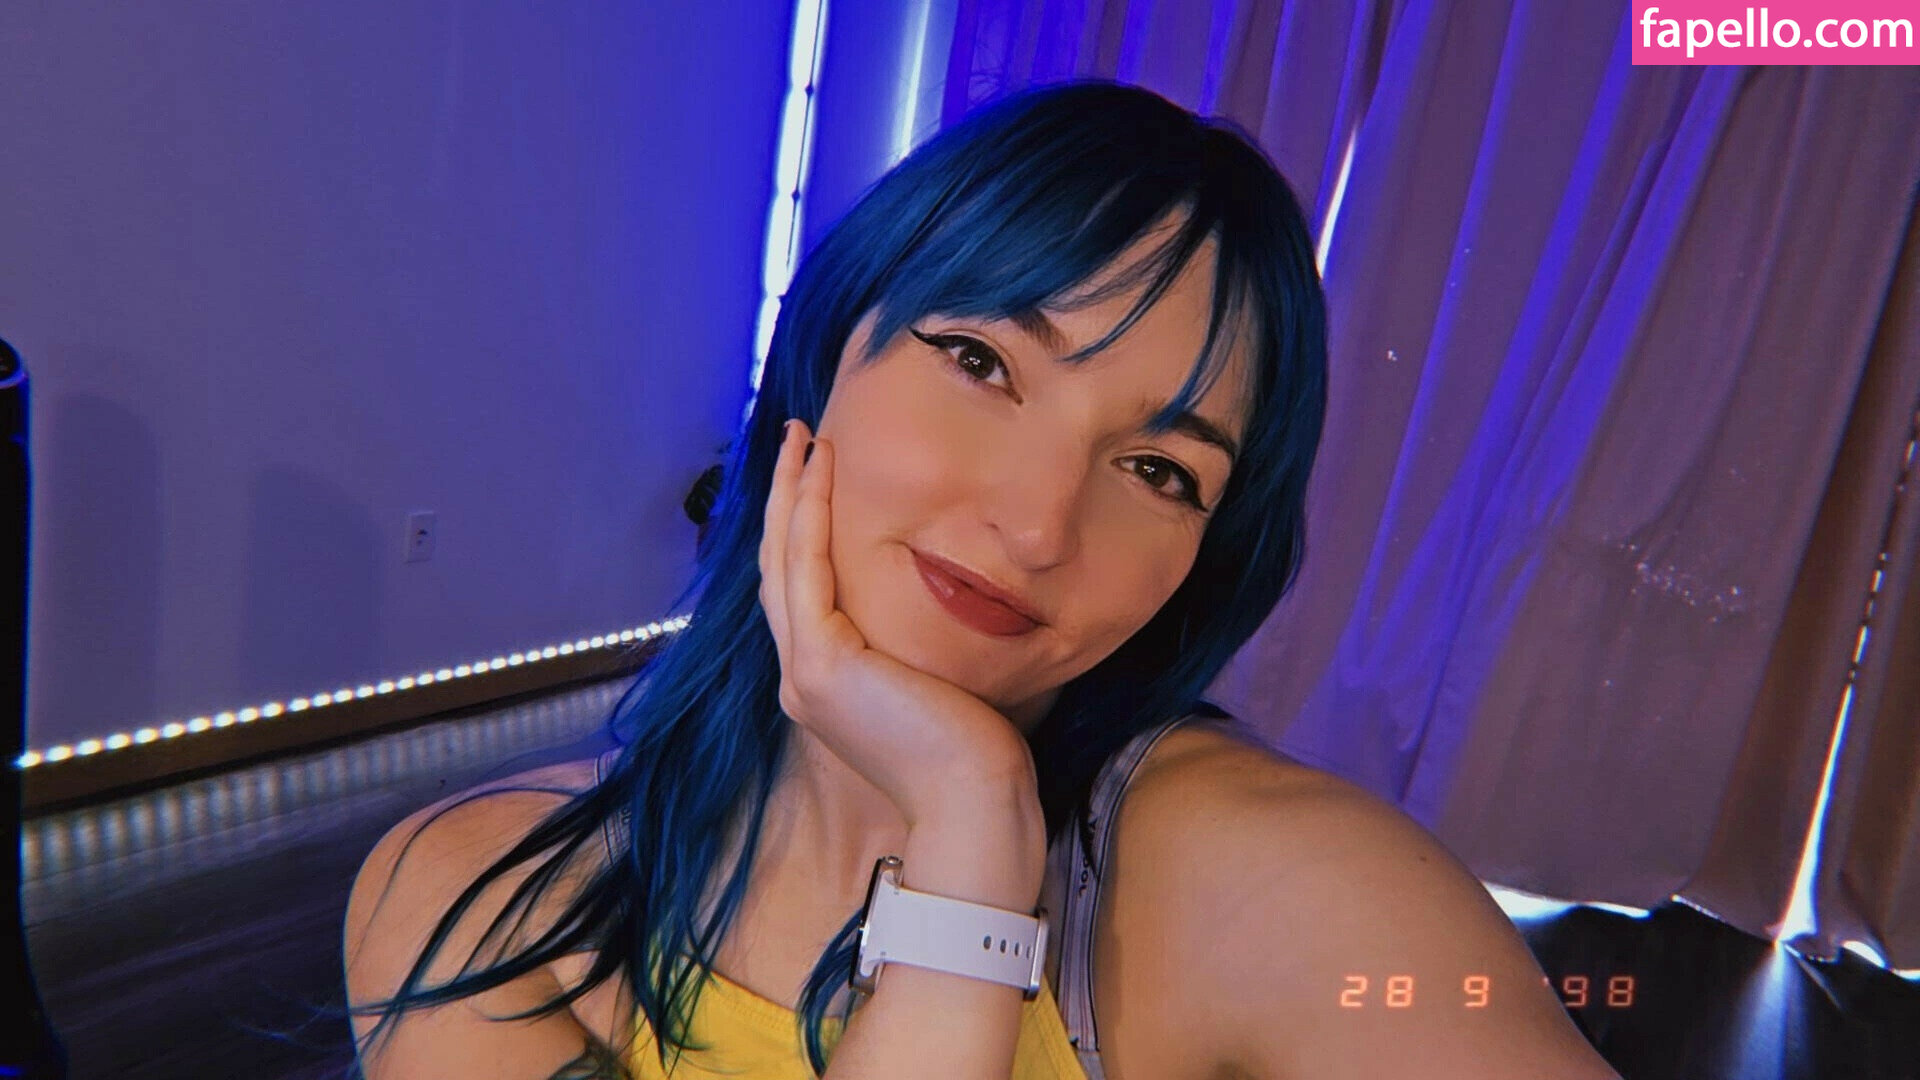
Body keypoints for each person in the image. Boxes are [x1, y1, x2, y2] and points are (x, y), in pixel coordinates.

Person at [342, 81, 1622, 1080]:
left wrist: (975, 815)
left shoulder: (1295, 897)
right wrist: (967, 831)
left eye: (1159, 471)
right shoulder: (487, 899)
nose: (1036, 524)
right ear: (825, 350)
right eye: (982, 362)